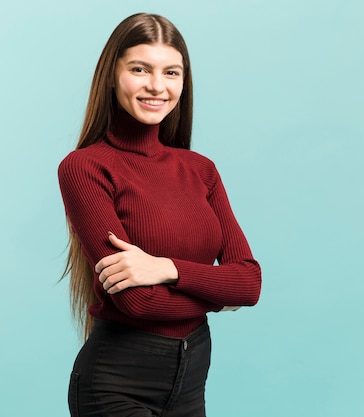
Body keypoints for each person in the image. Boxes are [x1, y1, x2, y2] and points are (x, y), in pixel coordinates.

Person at [58, 12, 261, 417]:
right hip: (116, 385)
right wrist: (217, 295)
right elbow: (137, 303)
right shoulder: (85, 168)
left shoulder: (201, 169)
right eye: (139, 69)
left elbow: (249, 282)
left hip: (191, 377)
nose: (157, 86)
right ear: (112, 75)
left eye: (171, 72)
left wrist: (166, 268)